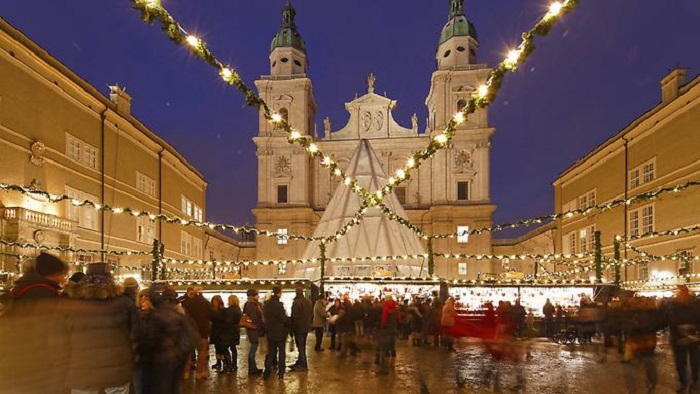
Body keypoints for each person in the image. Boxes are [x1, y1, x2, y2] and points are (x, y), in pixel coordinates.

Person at [59, 262, 140, 394]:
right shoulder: (124, 302)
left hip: (81, 368)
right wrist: (130, 357)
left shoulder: (70, 302)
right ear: (110, 277)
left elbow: (60, 337)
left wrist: (64, 364)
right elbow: (137, 334)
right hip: (116, 368)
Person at [1, 252, 69, 393]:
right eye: (63, 274)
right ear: (52, 274)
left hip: (19, 355)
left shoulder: (26, 287)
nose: (64, 279)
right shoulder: (42, 293)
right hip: (37, 359)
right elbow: (48, 328)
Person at [139, 285, 198, 394]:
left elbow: (148, 342)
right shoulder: (178, 315)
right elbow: (190, 338)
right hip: (175, 360)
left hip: (157, 362)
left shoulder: (153, 316)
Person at [664, 285, 700, 393]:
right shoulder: (672, 306)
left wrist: (692, 327)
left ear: (686, 293)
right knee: (680, 363)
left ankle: (695, 382)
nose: (678, 295)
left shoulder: (696, 305)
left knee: (695, 363)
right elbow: (667, 320)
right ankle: (683, 382)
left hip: (694, 339)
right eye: (677, 293)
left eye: (680, 292)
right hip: (677, 339)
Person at [181, 286, 212, 379]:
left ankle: (186, 373)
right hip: (202, 331)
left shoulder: (185, 302)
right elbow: (211, 315)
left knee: (188, 353)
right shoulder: (206, 303)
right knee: (202, 352)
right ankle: (199, 372)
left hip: (189, 330)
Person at [263, 285, 291, 380]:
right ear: (279, 293)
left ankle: (267, 372)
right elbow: (283, 318)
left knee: (271, 353)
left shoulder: (266, 305)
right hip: (280, 333)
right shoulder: (279, 305)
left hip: (270, 332)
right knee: (281, 353)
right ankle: (281, 373)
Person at [290, 287, 313, 371]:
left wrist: (292, 329)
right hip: (306, 327)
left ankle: (303, 365)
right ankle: (300, 362)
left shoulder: (296, 302)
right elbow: (311, 314)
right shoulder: (308, 302)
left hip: (298, 328)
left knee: (300, 346)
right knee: (302, 345)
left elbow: (294, 316)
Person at [243, 288, 264, 376]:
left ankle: (253, 368)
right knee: (253, 349)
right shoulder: (251, 304)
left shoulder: (250, 304)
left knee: (253, 348)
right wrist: (259, 325)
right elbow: (254, 317)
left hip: (253, 329)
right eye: (256, 295)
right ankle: (252, 369)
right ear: (252, 296)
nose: (258, 296)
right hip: (254, 329)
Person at [220, 295, 243, 373]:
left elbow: (228, 322)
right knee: (233, 349)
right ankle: (234, 365)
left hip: (229, 332)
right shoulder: (238, 309)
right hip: (236, 331)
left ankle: (229, 365)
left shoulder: (230, 310)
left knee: (225, 348)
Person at [209, 295, 226, 373]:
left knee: (221, 348)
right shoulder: (212, 310)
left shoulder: (222, 310)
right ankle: (218, 362)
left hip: (221, 332)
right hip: (215, 331)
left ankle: (224, 363)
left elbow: (222, 319)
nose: (214, 303)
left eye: (215, 301)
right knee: (217, 348)